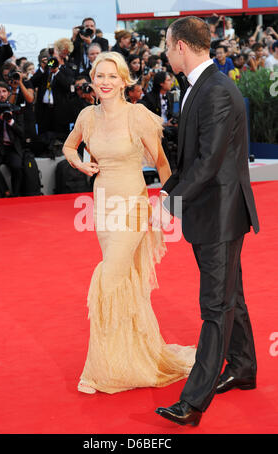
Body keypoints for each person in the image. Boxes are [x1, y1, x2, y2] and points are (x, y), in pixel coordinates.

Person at [62, 51, 195, 395]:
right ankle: (131, 356)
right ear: (92, 80)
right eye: (99, 76)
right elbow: (68, 146)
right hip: (103, 205)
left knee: (109, 277)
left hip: (134, 205)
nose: (105, 82)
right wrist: (79, 164)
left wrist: (170, 206)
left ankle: (98, 370)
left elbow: (164, 165)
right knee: (121, 281)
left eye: (112, 76)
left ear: (124, 80)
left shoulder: (137, 116)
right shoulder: (87, 116)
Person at [154, 16, 259, 427]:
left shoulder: (215, 90)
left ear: (181, 46)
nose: (165, 52)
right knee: (232, 296)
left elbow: (208, 162)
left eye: (166, 45)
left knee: (215, 306)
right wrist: (169, 189)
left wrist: (170, 202)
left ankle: (193, 403)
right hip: (215, 210)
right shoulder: (201, 85)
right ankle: (244, 366)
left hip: (219, 215)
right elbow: (191, 156)